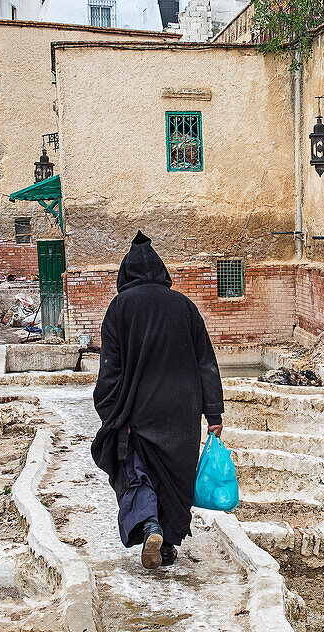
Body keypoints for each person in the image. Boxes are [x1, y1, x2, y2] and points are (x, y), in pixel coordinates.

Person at [91, 231, 224, 569]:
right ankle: (165, 546)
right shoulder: (185, 307)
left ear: (125, 274)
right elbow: (206, 362)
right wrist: (214, 413)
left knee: (138, 472)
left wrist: (108, 410)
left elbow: (110, 369)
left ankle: (149, 525)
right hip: (182, 412)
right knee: (174, 477)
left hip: (138, 411)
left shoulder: (119, 308)